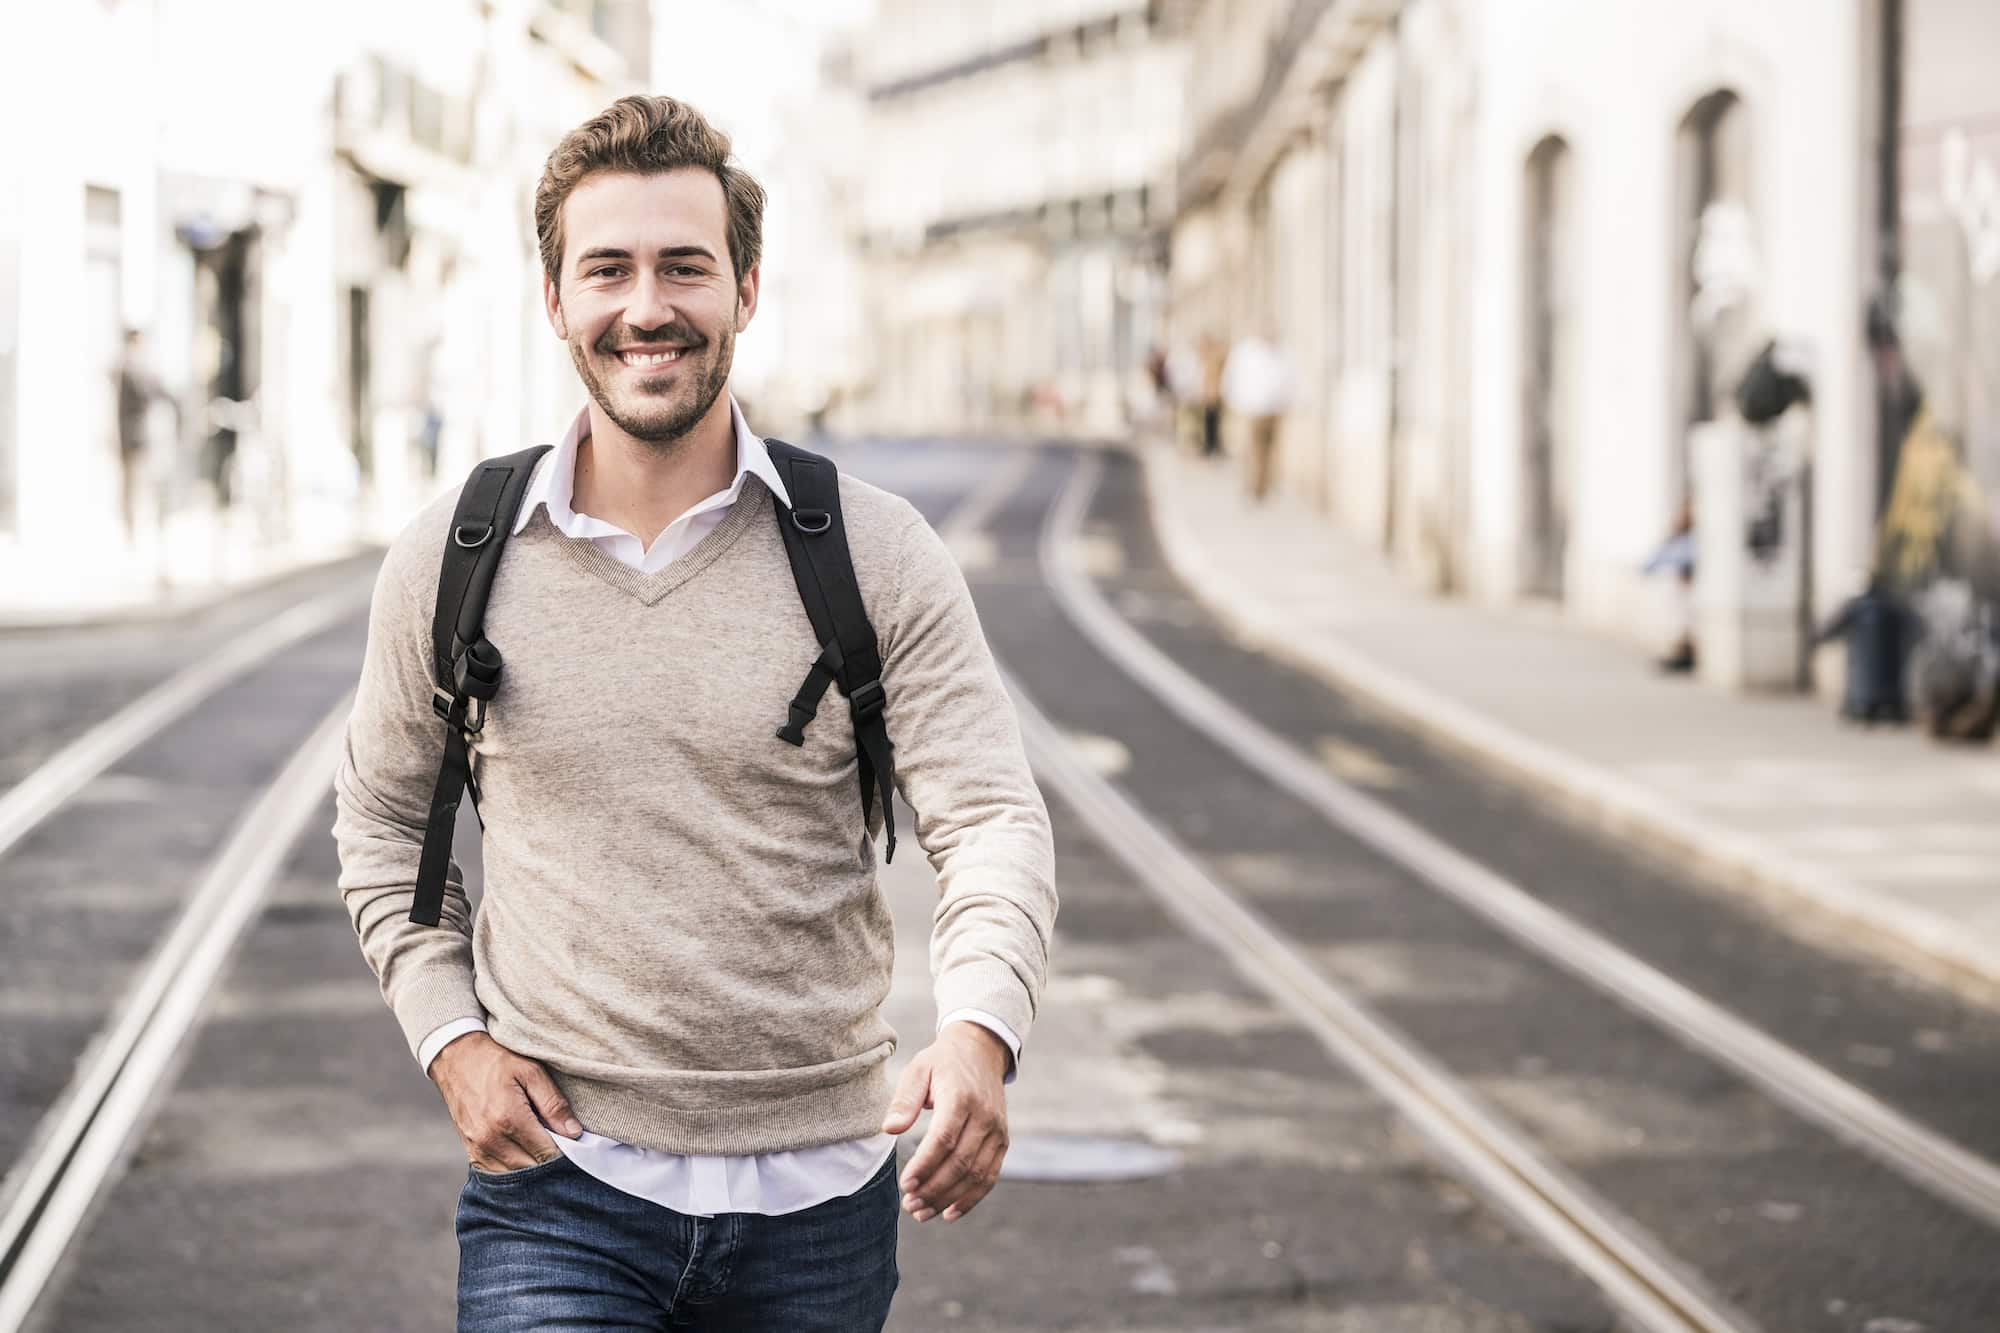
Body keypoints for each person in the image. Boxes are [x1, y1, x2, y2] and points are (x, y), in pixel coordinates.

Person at [333, 95, 1057, 1332]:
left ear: (746, 288)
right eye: (606, 269)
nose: (647, 307)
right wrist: (450, 1036)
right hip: (557, 1190)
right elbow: (386, 822)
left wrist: (982, 1027)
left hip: (821, 1199)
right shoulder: (455, 554)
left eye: (685, 266)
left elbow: (987, 814)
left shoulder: (874, 551)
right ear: (555, 300)